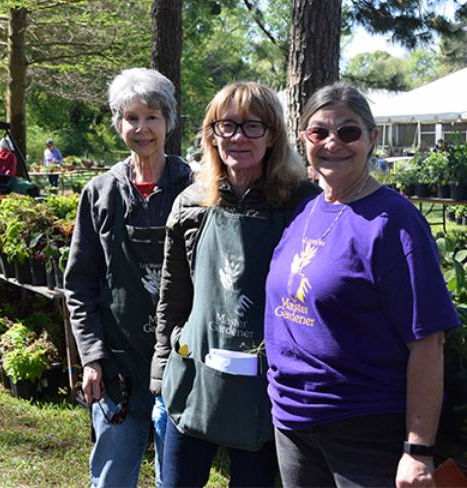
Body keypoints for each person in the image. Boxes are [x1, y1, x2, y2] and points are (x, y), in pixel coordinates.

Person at [264, 83, 461, 488]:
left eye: (349, 132)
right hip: (292, 423)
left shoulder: (394, 222)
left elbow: (428, 342)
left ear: (372, 138)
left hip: (363, 427)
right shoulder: (307, 210)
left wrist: (418, 449)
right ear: (304, 139)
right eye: (319, 131)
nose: (333, 142)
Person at [151, 82, 317, 488]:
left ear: (273, 134)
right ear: (212, 134)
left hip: (264, 389)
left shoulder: (301, 205)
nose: (238, 137)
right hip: (195, 376)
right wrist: (160, 369)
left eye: (252, 126)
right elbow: (173, 295)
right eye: (227, 126)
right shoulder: (191, 203)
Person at [64, 68, 193, 488]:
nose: (142, 129)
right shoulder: (100, 192)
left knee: (176, 480)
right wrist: (91, 356)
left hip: (181, 361)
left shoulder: (195, 188)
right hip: (117, 364)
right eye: (131, 117)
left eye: (152, 117)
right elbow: (80, 284)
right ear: (118, 123)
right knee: (113, 476)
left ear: (169, 122)